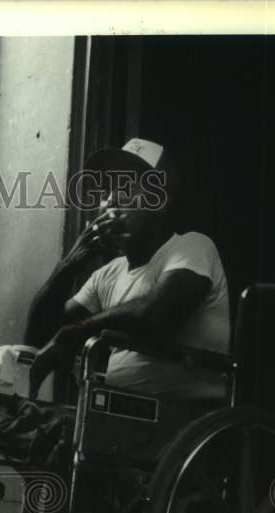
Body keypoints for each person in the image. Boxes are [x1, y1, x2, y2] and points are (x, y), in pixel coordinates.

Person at [25, 138, 230, 401]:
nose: (110, 200)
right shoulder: (109, 274)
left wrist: (77, 332)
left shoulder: (193, 247)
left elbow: (156, 315)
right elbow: (39, 335)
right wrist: (70, 264)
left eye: (125, 187)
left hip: (177, 419)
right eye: (106, 190)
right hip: (117, 418)